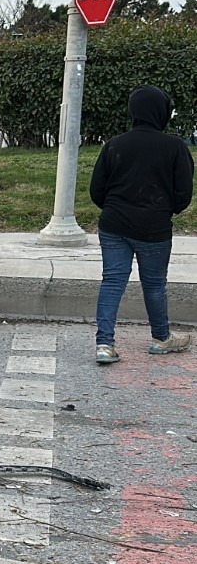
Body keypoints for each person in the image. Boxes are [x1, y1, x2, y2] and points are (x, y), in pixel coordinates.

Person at [90, 84, 195, 364]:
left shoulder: (114, 144)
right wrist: (164, 209)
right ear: (162, 112)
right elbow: (184, 193)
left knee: (112, 281)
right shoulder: (174, 146)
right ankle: (161, 338)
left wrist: (115, 208)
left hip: (113, 224)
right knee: (154, 285)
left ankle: (104, 344)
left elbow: (96, 190)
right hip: (154, 227)